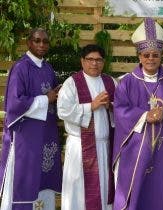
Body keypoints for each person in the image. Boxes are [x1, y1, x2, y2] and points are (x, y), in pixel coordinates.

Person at [113, 17, 163, 210]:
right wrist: (144, 116)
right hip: (135, 150)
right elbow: (120, 110)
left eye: (155, 55)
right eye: (146, 54)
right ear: (139, 56)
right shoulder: (127, 82)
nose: (150, 59)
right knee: (135, 193)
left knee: (160, 193)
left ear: (161, 56)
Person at [0, 28, 62, 210]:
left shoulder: (48, 68)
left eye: (45, 41)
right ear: (29, 42)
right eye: (37, 40)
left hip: (46, 133)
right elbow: (14, 103)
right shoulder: (21, 68)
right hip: (25, 136)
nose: (42, 45)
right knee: (25, 179)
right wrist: (46, 98)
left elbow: (53, 99)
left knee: (43, 177)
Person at [57, 44, 116, 210]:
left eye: (98, 60)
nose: (94, 63)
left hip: (105, 147)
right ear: (82, 61)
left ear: (103, 62)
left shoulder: (110, 82)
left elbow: (122, 110)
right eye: (90, 59)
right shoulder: (71, 83)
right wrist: (91, 105)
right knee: (78, 192)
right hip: (79, 147)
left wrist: (110, 107)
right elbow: (63, 110)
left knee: (104, 189)